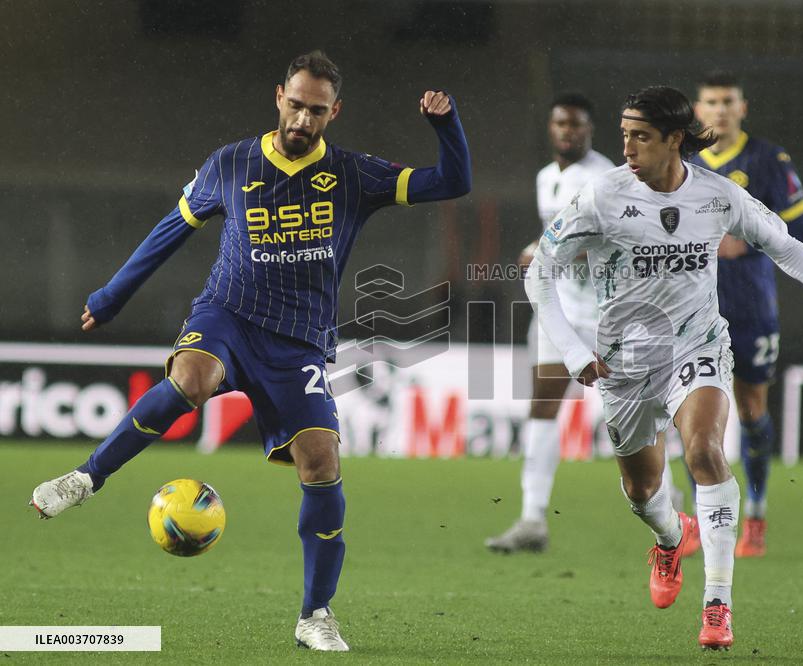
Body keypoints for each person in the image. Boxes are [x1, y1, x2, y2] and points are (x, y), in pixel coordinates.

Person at [28, 51, 472, 652]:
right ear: (278, 97)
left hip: (299, 343)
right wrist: (111, 294)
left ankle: (315, 615)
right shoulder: (231, 162)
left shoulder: (352, 174)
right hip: (228, 316)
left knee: (322, 465)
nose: (303, 119)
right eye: (296, 104)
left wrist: (445, 125)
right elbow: (172, 228)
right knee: (191, 378)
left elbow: (452, 182)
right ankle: (85, 478)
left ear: (334, 112)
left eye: (317, 110)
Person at [524, 85, 803, 650]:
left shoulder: (719, 195)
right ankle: (670, 537)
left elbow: (785, 246)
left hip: (698, 345)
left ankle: (718, 605)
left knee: (704, 452)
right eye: (624, 135)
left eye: (640, 137)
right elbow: (539, 272)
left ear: (674, 140)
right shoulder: (603, 197)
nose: (628, 148)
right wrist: (571, 351)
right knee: (643, 493)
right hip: (624, 361)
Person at [689, 71, 803, 558]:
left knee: (751, 410)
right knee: (694, 420)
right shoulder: (686, 161)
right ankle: (703, 519)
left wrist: (749, 242)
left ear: (743, 108)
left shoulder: (767, 159)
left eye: (728, 101)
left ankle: (756, 515)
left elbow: (799, 230)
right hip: (694, 310)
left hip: (752, 306)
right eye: (711, 101)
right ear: (697, 111)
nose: (719, 109)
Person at [485, 93, 614, 554]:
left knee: (638, 416)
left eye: (577, 125)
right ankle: (532, 519)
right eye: (561, 124)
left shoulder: (604, 177)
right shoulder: (546, 178)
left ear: (590, 130)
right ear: (550, 128)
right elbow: (557, 230)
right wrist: (540, 248)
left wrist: (544, 254)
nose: (568, 131)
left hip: (604, 314)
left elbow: (599, 238)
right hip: (556, 310)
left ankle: (677, 508)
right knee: (542, 406)